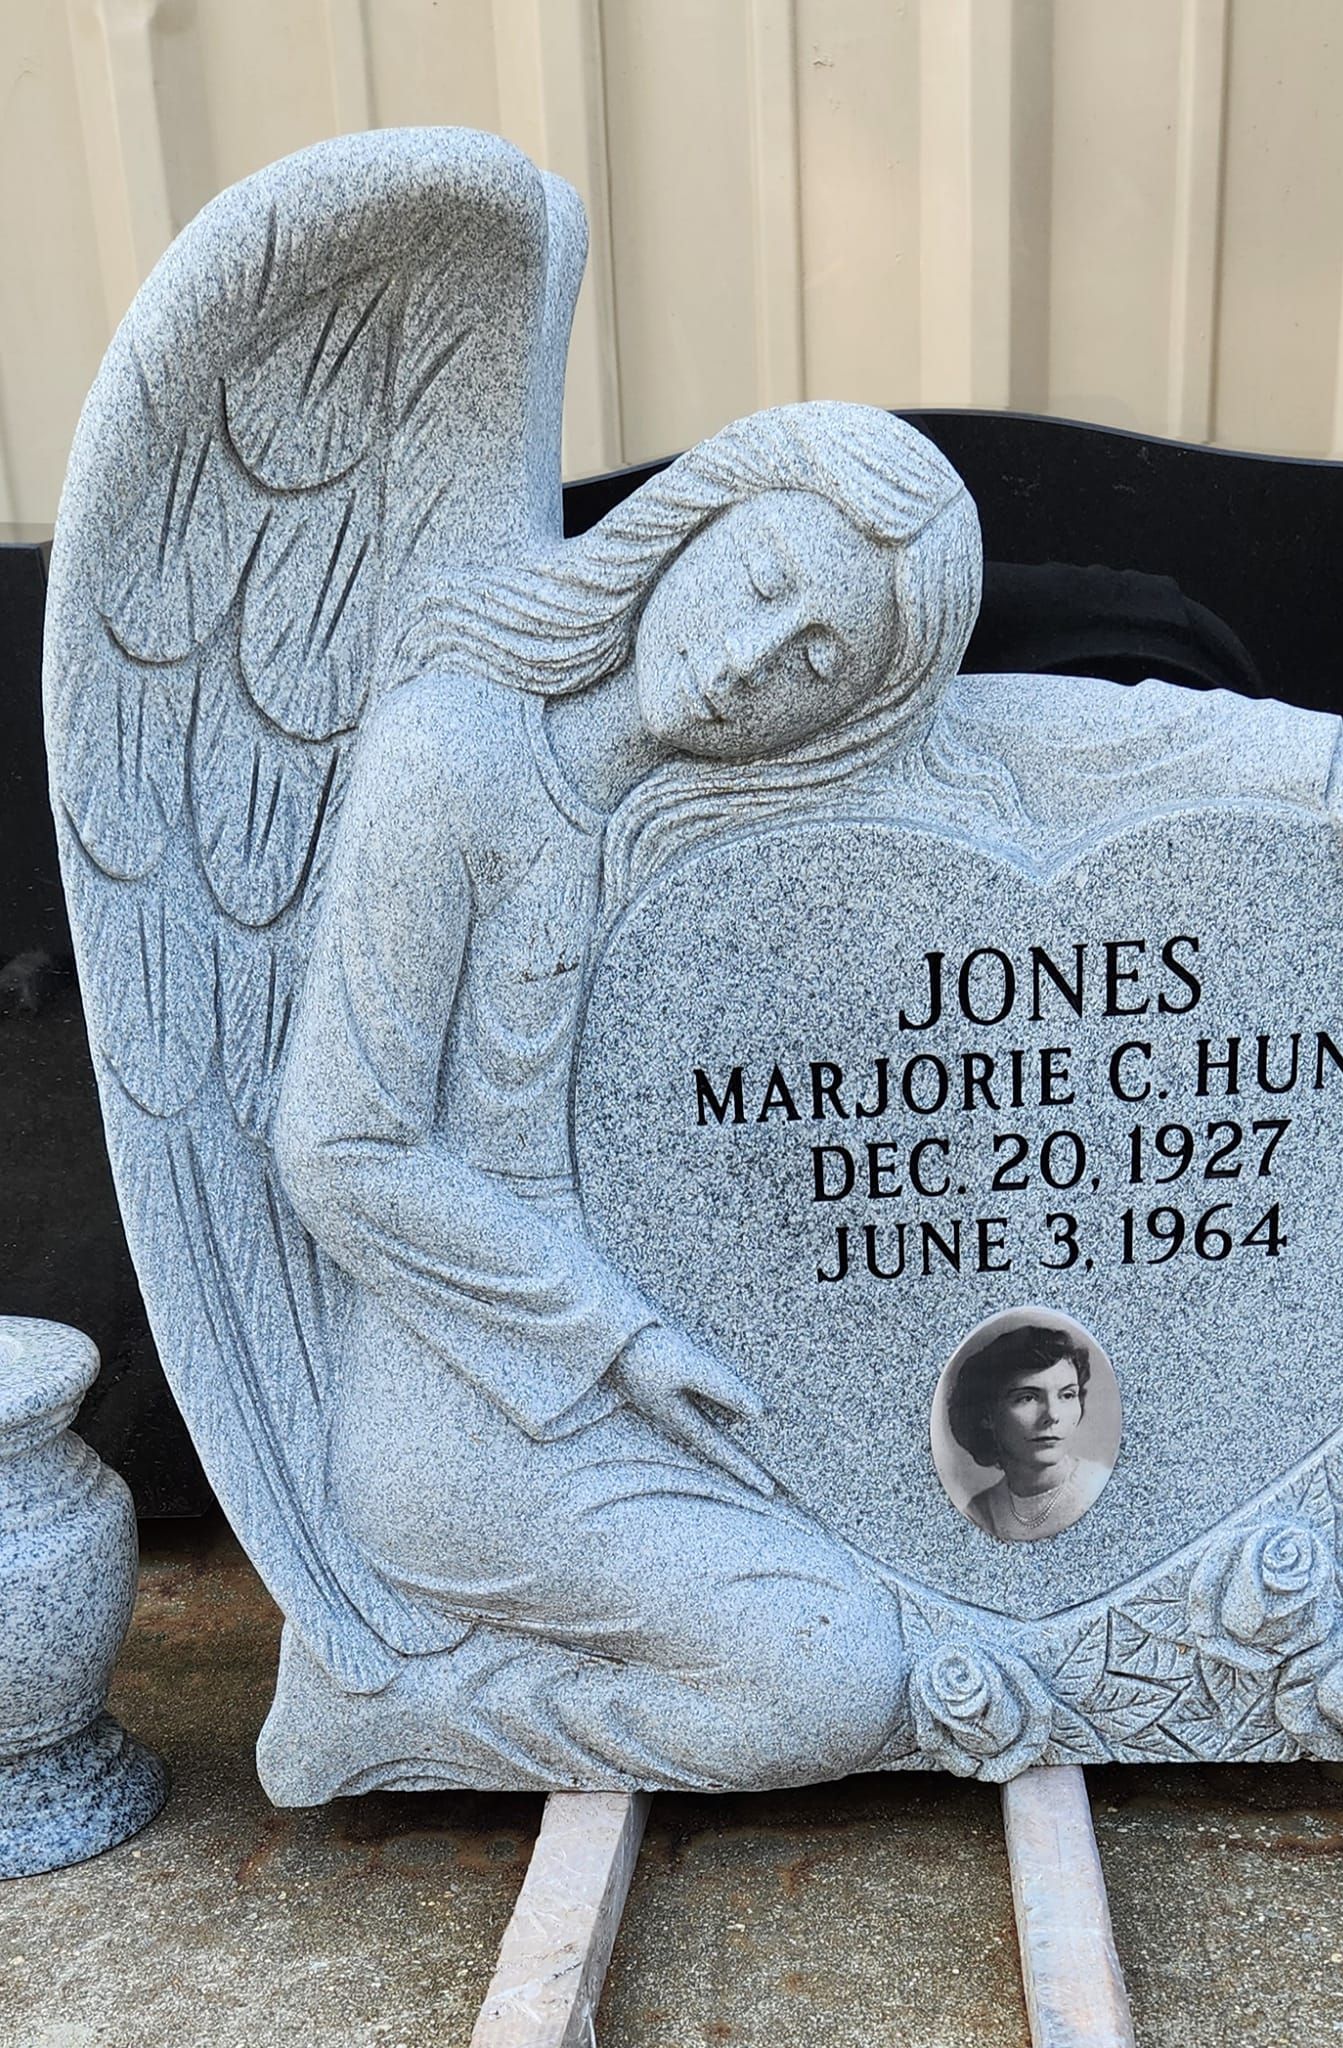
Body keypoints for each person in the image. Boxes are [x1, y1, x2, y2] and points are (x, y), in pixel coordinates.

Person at [272, 402, 982, 1787]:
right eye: (763, 581)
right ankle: (397, 1709)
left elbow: (1008, 753)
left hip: (662, 1352)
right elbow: (340, 1146)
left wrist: (1319, 779)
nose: (742, 664)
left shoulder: (692, 819)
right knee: (834, 1679)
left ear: (846, 716)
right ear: (691, 522)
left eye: (817, 661)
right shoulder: (452, 757)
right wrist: (613, 1336)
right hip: (478, 1400)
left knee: (947, 1536)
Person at [948, 1324, 1113, 1544]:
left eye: (1067, 1395)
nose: (1052, 1415)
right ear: (986, 1415)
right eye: (1028, 1398)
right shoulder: (980, 1511)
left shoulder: (1099, 1487)